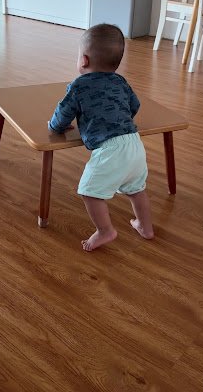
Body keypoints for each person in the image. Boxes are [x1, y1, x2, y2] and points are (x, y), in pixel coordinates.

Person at [48, 24, 154, 251]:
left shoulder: (79, 86)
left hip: (111, 149)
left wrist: (56, 127)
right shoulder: (120, 81)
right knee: (137, 189)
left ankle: (106, 230)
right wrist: (119, 117)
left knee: (89, 191)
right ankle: (145, 227)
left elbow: (63, 114)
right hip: (134, 143)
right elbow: (134, 105)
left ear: (83, 60)